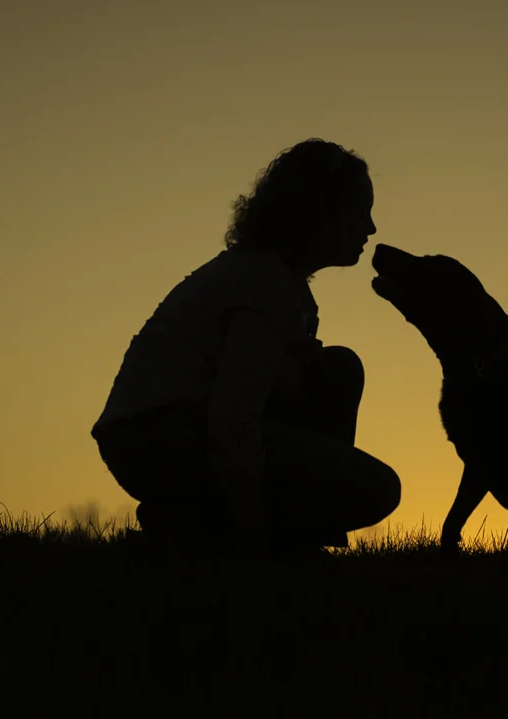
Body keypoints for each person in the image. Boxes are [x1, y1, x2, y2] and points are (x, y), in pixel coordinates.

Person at [90, 138, 401, 558]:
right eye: (359, 212)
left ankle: (202, 525)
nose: (370, 228)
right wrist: (252, 534)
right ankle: (243, 536)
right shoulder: (265, 287)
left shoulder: (273, 280)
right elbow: (232, 420)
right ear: (318, 213)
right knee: (377, 489)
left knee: (338, 368)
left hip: (155, 436)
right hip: (158, 439)